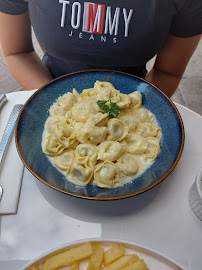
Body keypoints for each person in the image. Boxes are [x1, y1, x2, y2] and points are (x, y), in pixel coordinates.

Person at [0, 0, 201, 97]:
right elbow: (18, 52)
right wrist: (57, 102)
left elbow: (168, 72)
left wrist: (134, 110)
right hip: (46, 84)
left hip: (134, 95)